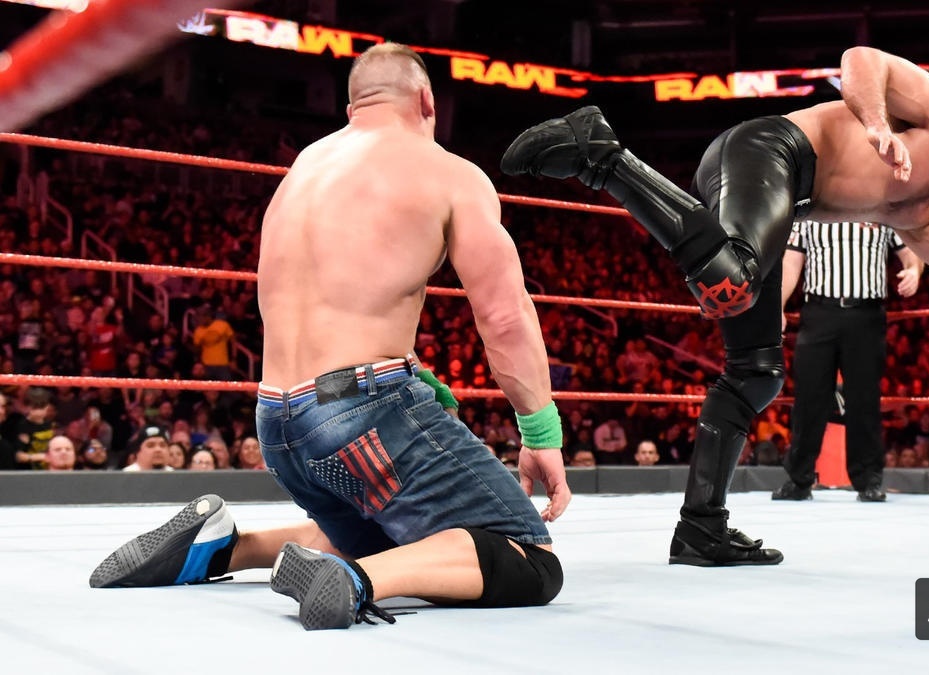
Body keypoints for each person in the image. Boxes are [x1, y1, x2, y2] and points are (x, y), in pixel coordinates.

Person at [501, 46, 929, 566]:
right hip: (769, 151)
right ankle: (602, 156)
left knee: (757, 372)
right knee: (736, 281)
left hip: (775, 199)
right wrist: (877, 124)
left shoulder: (920, 219)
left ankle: (701, 528)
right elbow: (862, 59)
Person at [90, 43, 570, 630]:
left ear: (353, 108)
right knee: (528, 558)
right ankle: (352, 579)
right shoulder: (448, 171)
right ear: (427, 101)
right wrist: (540, 433)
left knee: (401, 535)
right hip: (360, 416)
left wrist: (411, 373)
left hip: (278, 424)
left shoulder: (306, 167)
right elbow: (504, 316)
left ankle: (225, 547)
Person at [773, 220, 923, 503]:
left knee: (864, 399)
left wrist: (914, 270)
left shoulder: (883, 210)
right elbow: (791, 262)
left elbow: (910, 249)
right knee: (809, 398)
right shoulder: (811, 213)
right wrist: (778, 305)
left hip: (866, 315)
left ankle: (868, 481)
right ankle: (799, 480)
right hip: (819, 313)